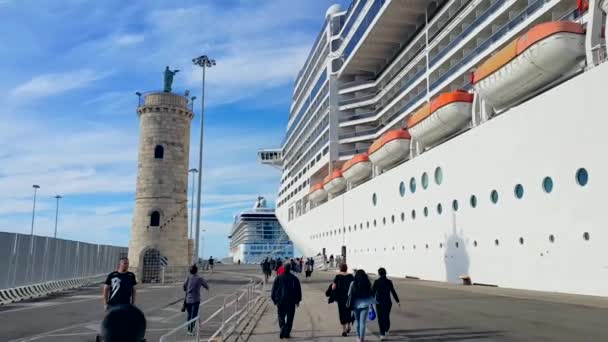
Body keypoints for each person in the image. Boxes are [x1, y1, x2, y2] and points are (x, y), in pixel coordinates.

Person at [270, 263, 302, 339]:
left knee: (281, 316)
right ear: (290, 268)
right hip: (291, 302)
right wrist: (298, 301)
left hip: (281, 301)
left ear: (283, 268)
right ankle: (287, 333)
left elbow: (273, 290)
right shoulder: (294, 278)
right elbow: (298, 291)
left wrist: (274, 300)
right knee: (290, 318)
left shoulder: (278, 278)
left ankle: (282, 327)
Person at [347, 270, 376, 342]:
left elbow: (349, 294)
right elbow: (371, 294)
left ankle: (358, 337)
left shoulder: (353, 283)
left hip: (355, 305)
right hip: (365, 305)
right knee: (363, 323)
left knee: (357, 322)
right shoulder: (367, 283)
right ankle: (361, 340)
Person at [372, 267, 400, 339]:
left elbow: (373, 293)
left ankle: (382, 334)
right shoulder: (389, 282)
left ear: (378, 274)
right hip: (388, 302)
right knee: (386, 317)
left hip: (379, 303)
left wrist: (370, 302)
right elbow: (393, 292)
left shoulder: (376, 282)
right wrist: (397, 301)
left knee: (380, 318)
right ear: (385, 273)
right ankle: (386, 330)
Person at [183, 265, 209, 335]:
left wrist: (187, 289)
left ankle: (189, 326)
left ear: (190, 271)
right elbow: (206, 285)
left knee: (189, 314)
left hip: (188, 299)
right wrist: (206, 287)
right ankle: (190, 330)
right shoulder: (199, 278)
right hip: (196, 299)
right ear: (196, 271)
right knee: (193, 315)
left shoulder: (188, 277)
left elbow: (184, 286)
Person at [331, 263, 354, 336]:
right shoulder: (350, 276)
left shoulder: (337, 276)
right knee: (348, 311)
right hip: (349, 297)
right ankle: (349, 326)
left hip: (340, 298)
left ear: (340, 269)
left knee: (342, 313)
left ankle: (344, 330)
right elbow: (354, 285)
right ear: (346, 268)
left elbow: (333, 287)